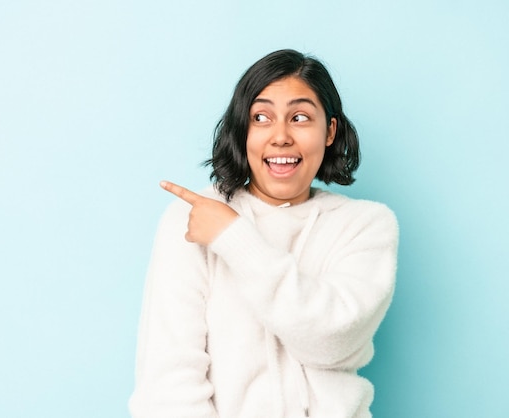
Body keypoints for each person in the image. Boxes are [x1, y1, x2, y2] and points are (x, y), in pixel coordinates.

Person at [129, 49, 398, 418]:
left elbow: (332, 340)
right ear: (242, 130)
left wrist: (233, 238)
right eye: (261, 117)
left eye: (300, 117)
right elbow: (167, 383)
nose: (281, 136)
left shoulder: (365, 225)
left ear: (330, 131)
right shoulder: (192, 219)